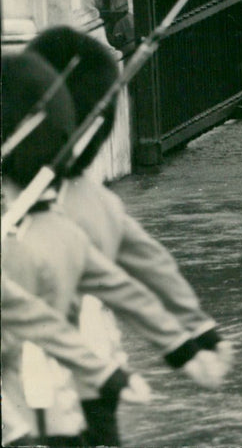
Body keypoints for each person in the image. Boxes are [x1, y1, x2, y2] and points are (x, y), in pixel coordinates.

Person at [1, 50, 227, 447]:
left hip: (38, 395)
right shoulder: (91, 207)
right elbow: (146, 272)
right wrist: (192, 338)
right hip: (83, 378)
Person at [1, 275, 151, 447]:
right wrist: (15, 430)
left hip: (94, 397)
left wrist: (120, 373)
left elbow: (109, 335)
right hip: (43, 411)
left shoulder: (89, 280)